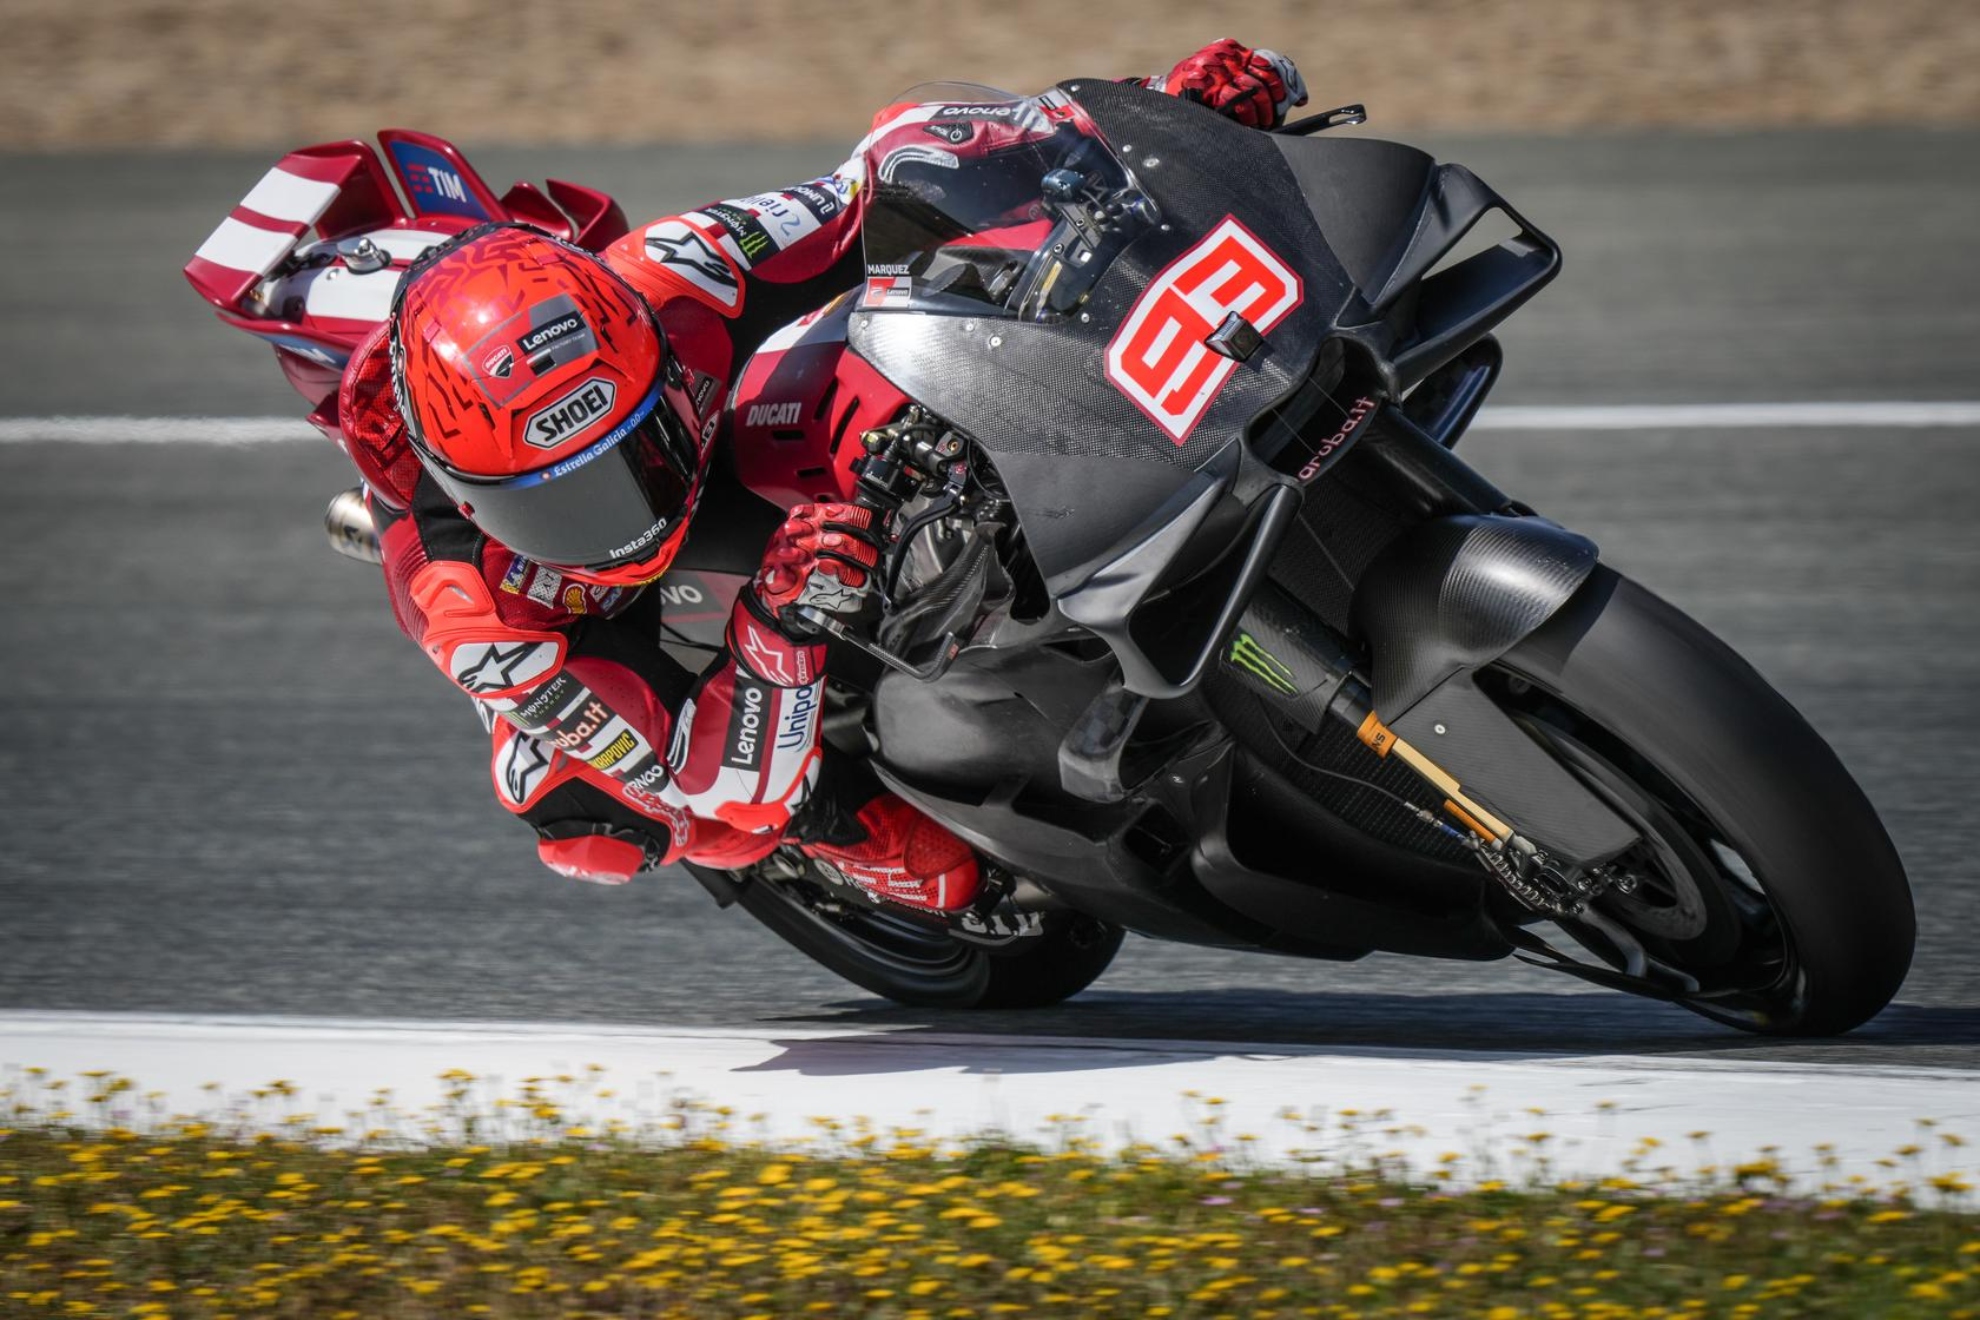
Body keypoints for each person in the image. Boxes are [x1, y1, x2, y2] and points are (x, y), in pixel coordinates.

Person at [334, 40, 1307, 913]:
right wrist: (779, 630)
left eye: (631, 457)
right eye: (560, 502)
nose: (617, 518)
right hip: (609, 640)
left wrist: (1147, 115)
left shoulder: (679, 271)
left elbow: (882, 171)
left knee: (933, 301)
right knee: (608, 818)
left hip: (747, 460)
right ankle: (832, 835)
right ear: (472, 495)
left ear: (655, 358)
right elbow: (710, 782)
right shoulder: (476, 614)